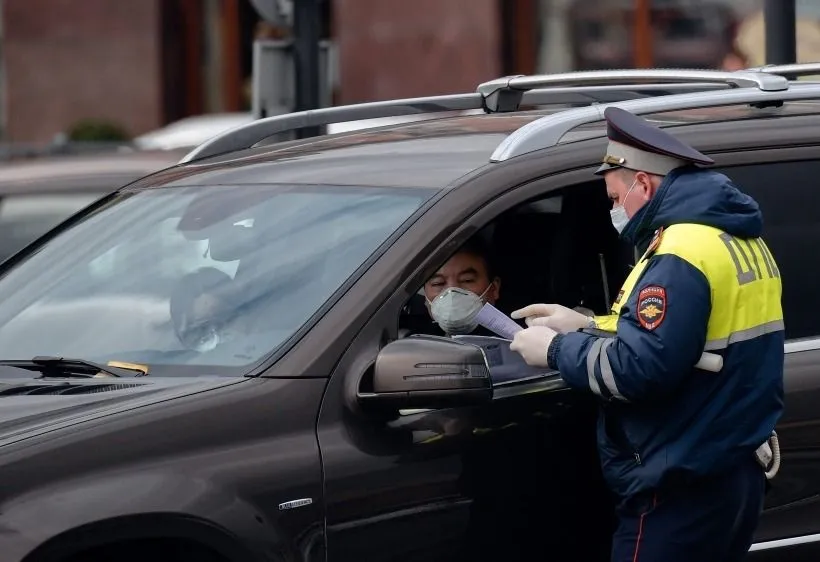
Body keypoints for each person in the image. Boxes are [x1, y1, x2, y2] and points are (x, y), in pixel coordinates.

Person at [509, 106, 784, 562]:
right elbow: (685, 336)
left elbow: (642, 369)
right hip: (730, 467)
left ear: (643, 184)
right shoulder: (734, 237)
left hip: (681, 478)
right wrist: (585, 324)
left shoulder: (680, 250)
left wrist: (556, 348)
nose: (614, 210)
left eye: (615, 197)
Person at [411, 237, 502, 337]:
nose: (452, 294)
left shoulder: (517, 343)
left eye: (467, 280)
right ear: (425, 295)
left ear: (494, 288)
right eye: (438, 283)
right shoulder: (415, 342)